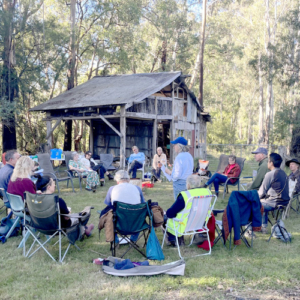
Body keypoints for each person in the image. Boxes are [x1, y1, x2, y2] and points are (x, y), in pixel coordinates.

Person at [164, 175, 212, 246]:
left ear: (188, 185)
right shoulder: (207, 192)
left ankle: (175, 240)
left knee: (165, 217)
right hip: (200, 223)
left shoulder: (185, 195)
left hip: (183, 224)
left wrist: (166, 213)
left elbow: (170, 213)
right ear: (199, 183)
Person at [103, 170, 145, 243]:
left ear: (117, 180)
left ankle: (115, 239)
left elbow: (109, 205)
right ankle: (133, 239)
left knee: (108, 214)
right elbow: (142, 205)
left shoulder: (112, 189)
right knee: (139, 214)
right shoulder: (137, 188)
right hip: (136, 223)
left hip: (118, 223)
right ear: (128, 179)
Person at [258, 153, 290, 234]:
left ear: (271, 162)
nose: (267, 163)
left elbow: (261, 192)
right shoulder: (284, 173)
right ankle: (263, 226)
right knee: (263, 201)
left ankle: (249, 229)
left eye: (268, 161)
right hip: (284, 202)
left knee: (252, 203)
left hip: (274, 203)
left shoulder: (270, 174)